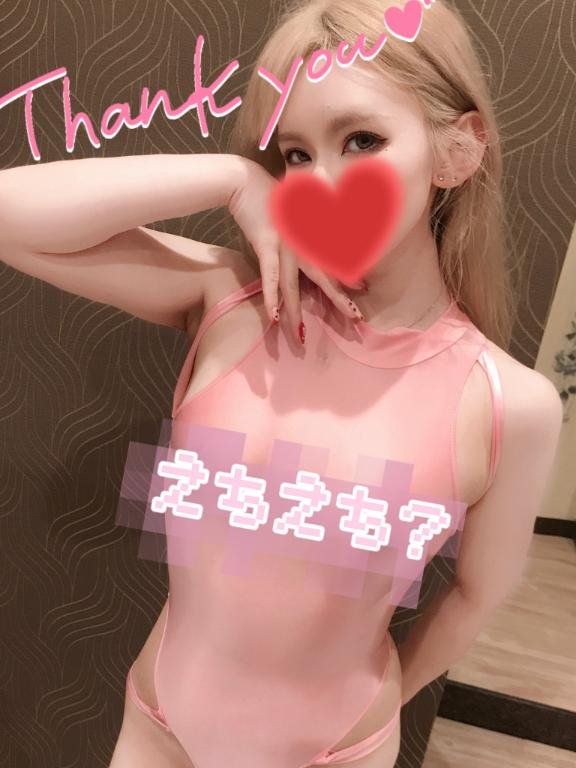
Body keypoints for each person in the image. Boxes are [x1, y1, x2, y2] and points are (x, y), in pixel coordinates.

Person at [0, 1, 563, 767]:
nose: (320, 183)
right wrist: (233, 178)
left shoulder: (508, 402)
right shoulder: (230, 298)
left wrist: (373, 708)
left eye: (361, 140)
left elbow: (476, 594)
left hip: (329, 752)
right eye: (296, 154)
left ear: (457, 150)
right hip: (160, 726)